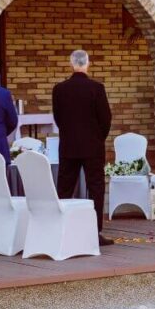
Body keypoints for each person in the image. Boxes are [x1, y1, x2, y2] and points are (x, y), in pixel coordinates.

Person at [52, 49, 113, 246]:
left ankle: (60, 228)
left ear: (71, 64)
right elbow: (105, 119)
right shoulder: (97, 88)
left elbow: (58, 118)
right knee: (96, 187)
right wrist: (97, 138)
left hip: (68, 145)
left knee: (64, 187)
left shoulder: (59, 89)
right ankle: (94, 232)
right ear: (87, 64)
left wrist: (69, 134)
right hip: (92, 146)